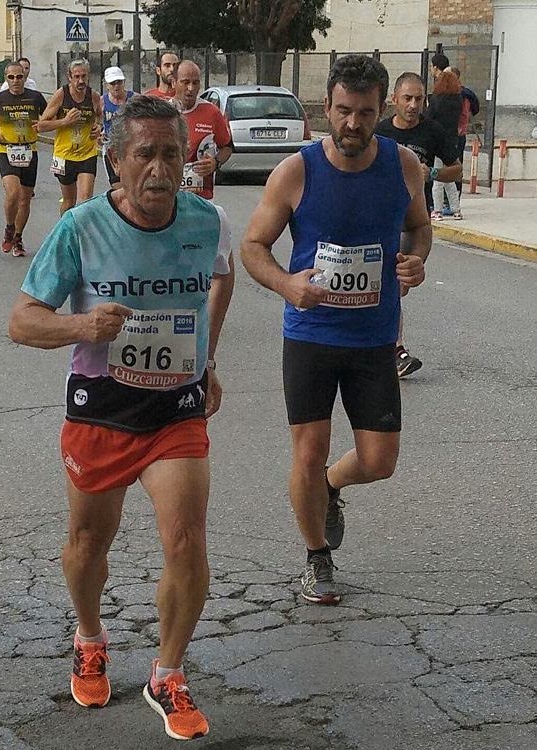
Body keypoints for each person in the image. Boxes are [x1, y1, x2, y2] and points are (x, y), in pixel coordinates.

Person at [8, 95, 234, 741]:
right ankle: (89, 635)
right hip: (102, 408)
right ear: (115, 161)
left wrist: (207, 355)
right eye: (145, 154)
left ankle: (168, 673)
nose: (161, 169)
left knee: (187, 541)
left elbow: (224, 277)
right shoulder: (80, 227)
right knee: (87, 548)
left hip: (175, 410)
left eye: (172, 153)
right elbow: (21, 321)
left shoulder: (207, 220)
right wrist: (82, 324)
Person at [240, 55, 430, 605]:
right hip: (311, 334)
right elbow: (253, 248)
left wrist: (417, 260)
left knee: (379, 461)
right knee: (308, 449)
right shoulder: (296, 171)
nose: (352, 123)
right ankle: (317, 557)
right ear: (327, 107)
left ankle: (330, 487)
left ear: (383, 111)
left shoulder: (404, 166)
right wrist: (286, 285)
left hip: (374, 338)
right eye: (343, 111)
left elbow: (418, 229)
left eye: (365, 112)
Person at [375, 72, 461, 379]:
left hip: (413, 225)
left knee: (397, 287)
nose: (413, 105)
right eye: (408, 98)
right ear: (394, 100)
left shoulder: (432, 131)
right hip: (381, 222)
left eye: (419, 99)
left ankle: (386, 347)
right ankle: (394, 350)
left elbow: (456, 169)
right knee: (389, 287)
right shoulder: (380, 132)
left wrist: (433, 174)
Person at [0, 62, 47, 257]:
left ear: (25, 78)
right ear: (6, 78)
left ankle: (18, 237)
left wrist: (43, 124)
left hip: (29, 150)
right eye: (11, 77)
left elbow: (50, 116)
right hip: (6, 150)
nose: (16, 81)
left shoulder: (35, 97)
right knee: (13, 192)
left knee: (25, 200)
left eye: (19, 77)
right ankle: (9, 227)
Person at [38, 59, 102, 214]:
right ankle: (65, 231)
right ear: (69, 77)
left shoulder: (93, 96)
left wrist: (98, 127)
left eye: (84, 76)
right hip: (64, 155)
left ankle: (80, 235)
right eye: (77, 77)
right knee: (69, 201)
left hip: (87, 154)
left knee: (86, 199)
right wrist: (65, 121)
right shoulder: (61, 95)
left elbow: (99, 116)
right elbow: (41, 125)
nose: (81, 81)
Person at [174, 60, 232, 201]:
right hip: (170, 196)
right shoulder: (163, 113)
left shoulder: (211, 112)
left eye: (195, 83)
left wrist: (215, 163)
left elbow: (227, 147)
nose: (191, 88)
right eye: (185, 82)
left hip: (202, 197)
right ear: (174, 83)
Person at [425, 69, 463, 220]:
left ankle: (438, 210)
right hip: (452, 140)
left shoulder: (436, 100)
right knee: (449, 177)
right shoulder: (458, 100)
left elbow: (428, 118)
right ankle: (456, 209)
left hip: (438, 141)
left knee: (437, 177)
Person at [447, 66, 479, 203]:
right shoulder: (456, 94)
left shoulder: (461, 95)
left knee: (455, 167)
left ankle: (454, 201)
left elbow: (464, 114)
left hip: (457, 135)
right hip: (456, 134)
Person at [100, 66, 134, 189]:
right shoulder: (102, 102)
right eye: (112, 83)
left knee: (131, 184)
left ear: (124, 82)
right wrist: (100, 133)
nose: (116, 86)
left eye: (119, 82)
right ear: (106, 85)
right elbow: (96, 123)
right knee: (117, 187)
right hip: (111, 149)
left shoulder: (134, 99)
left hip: (130, 148)